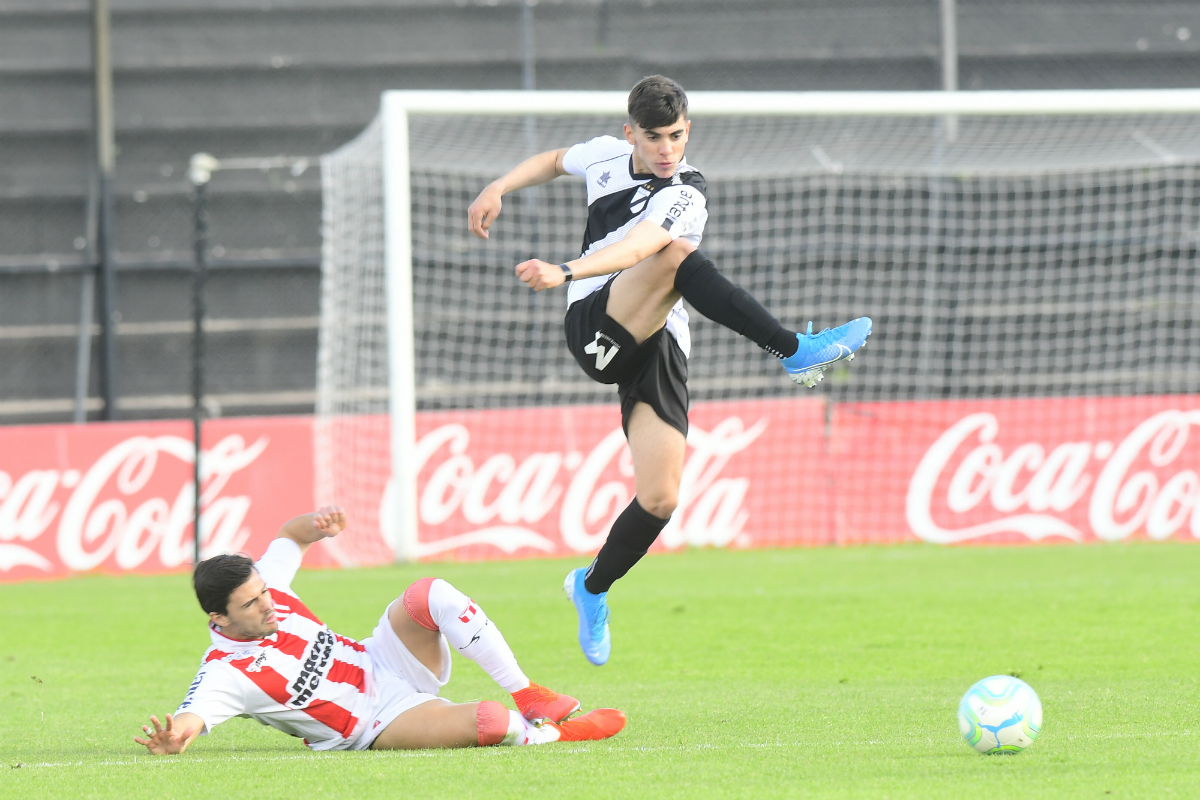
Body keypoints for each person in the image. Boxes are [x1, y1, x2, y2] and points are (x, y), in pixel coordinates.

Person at [467, 75, 872, 666]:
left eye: (676, 136)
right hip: (597, 325)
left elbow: (640, 247)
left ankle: (592, 587)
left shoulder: (687, 192)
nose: (666, 149)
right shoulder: (606, 156)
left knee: (660, 498)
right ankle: (793, 350)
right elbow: (556, 161)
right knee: (678, 257)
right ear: (630, 133)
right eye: (654, 137)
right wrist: (499, 187)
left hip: (657, 342)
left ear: (688, 131)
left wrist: (563, 266)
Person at [133, 506, 625, 754]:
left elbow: (288, 537)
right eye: (251, 603)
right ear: (218, 620)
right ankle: (553, 738)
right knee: (490, 723)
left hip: (380, 659)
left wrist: (316, 523)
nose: (268, 604)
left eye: (264, 591)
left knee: (430, 593)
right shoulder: (226, 672)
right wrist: (175, 739)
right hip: (376, 721)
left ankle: (530, 694)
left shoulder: (269, 587)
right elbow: (191, 718)